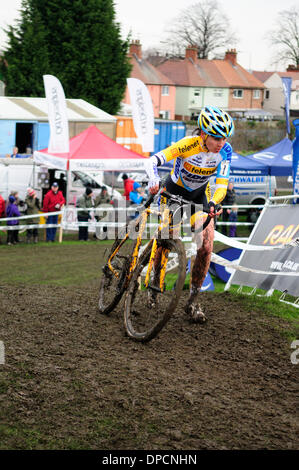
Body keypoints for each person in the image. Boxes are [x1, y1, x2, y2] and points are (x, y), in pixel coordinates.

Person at [145, 105, 234, 323]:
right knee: (167, 238)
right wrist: (154, 178)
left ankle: (193, 301)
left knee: (206, 244)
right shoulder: (187, 145)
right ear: (203, 133)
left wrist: (214, 201)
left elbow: (222, 184)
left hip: (199, 197)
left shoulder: (225, 151)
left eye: (224, 138)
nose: (221, 143)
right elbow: (152, 161)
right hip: (173, 193)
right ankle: (155, 286)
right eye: (216, 138)